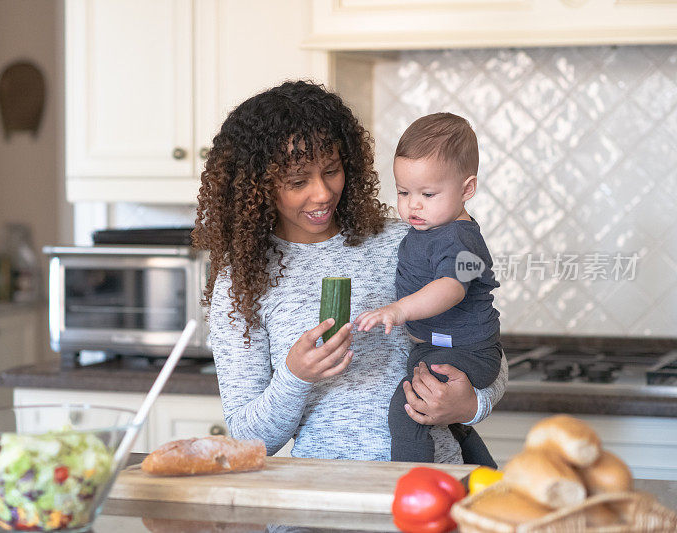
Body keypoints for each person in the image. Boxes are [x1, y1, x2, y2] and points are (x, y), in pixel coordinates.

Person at [192, 80, 507, 464]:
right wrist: (295, 376)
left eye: (331, 171)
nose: (322, 193)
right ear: (258, 186)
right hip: (321, 500)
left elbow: (481, 340)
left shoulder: (406, 239)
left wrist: (470, 404)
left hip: (434, 493)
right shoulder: (243, 281)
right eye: (297, 181)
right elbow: (249, 439)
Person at [355, 113, 502, 463]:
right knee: (442, 420)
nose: (413, 204)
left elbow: (452, 287)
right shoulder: (430, 228)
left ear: (467, 189)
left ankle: (410, 485)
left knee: (407, 410)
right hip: (437, 349)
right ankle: (484, 467)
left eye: (428, 193)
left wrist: (399, 310)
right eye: (404, 192)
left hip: (469, 352)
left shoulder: (461, 239)